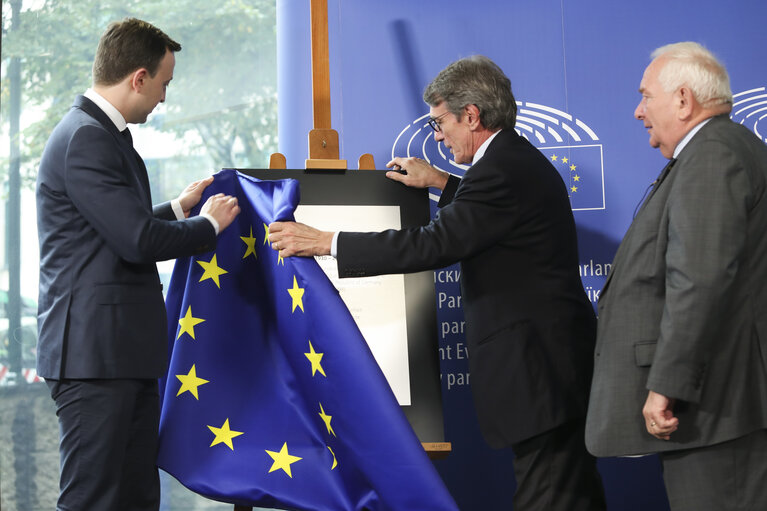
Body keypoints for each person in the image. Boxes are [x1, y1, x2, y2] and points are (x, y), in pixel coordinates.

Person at [268, 55, 605, 510]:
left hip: (541, 375)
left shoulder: (501, 171)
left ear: (472, 115)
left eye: (439, 122)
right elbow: (490, 219)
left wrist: (327, 241)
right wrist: (443, 182)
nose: (437, 134)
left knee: (551, 498)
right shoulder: (511, 161)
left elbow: (435, 243)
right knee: (569, 494)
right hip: (551, 370)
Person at [36, 18, 240, 510]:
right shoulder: (87, 137)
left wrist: (177, 209)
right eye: (164, 85)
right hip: (94, 358)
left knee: (134, 497)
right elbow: (135, 240)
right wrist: (209, 226)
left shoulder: (101, 134)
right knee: (94, 498)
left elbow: (110, 228)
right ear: (138, 78)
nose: (164, 99)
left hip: (118, 354)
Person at [585, 42, 767, 510]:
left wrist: (668, 384)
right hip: (723, 404)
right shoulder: (718, 149)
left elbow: (700, 279)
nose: (637, 110)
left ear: (683, 100)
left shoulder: (712, 154)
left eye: (646, 96)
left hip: (718, 409)